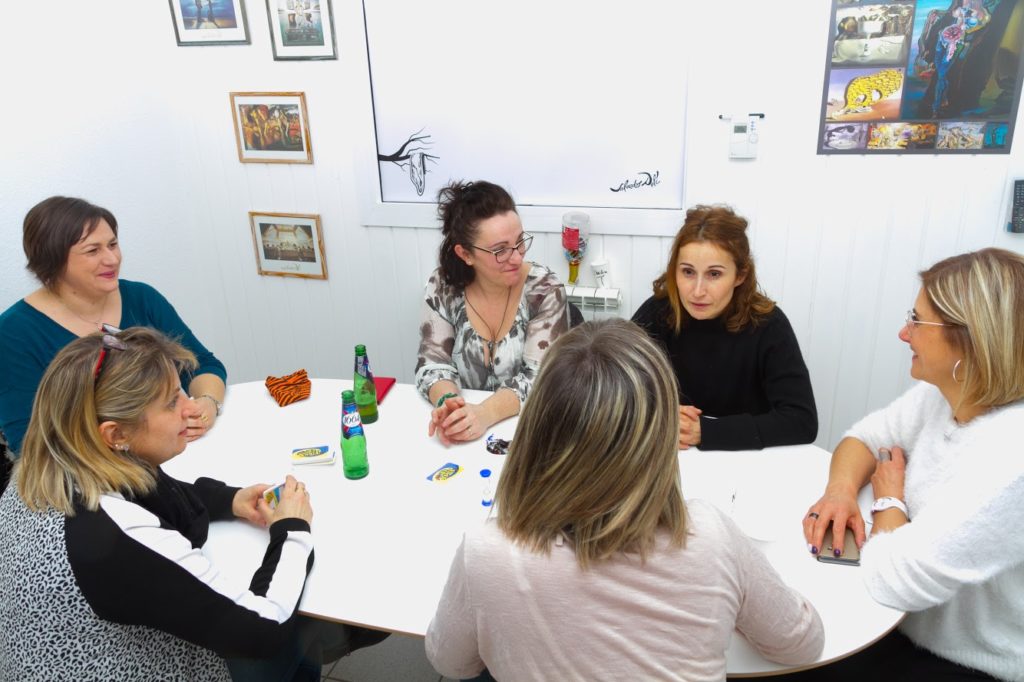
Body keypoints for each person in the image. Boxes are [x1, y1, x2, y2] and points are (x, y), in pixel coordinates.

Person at [425, 319, 824, 681]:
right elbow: (801, 643)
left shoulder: (486, 551)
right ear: (659, 440)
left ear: (535, 433)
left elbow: (451, 664)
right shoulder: (709, 537)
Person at [0, 327, 313, 679]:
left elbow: (147, 488)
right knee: (298, 641)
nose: (192, 407)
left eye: (182, 390)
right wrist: (292, 530)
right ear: (116, 434)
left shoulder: (42, 470)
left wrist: (230, 500)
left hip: (38, 663)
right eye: (171, 402)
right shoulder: (110, 537)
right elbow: (262, 630)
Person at [799, 248, 1024, 681]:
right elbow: (864, 438)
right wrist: (841, 492)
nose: (905, 333)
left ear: (971, 337)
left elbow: (895, 579)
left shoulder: (1010, 456)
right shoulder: (948, 393)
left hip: (968, 659)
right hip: (904, 623)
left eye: (918, 321)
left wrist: (888, 499)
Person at [0, 196, 226, 457]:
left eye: (113, 244)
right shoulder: (13, 333)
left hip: (168, 456)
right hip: (91, 476)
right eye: (93, 250)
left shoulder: (142, 297)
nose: (112, 259)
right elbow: (30, 441)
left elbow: (203, 365)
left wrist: (207, 404)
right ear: (53, 260)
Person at [631, 204, 817, 451]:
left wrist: (705, 431)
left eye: (714, 274)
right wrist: (658, 415)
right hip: (669, 454)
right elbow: (614, 387)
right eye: (687, 272)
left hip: (744, 462)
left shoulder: (769, 325)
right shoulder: (658, 311)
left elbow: (801, 421)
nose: (697, 291)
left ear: (740, 276)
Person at [415, 180, 568, 445]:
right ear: (466, 254)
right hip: (466, 436)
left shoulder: (545, 290)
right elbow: (432, 363)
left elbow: (541, 379)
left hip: (530, 434)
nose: (517, 257)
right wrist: (450, 406)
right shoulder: (443, 285)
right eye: (500, 250)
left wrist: (483, 414)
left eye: (520, 242)